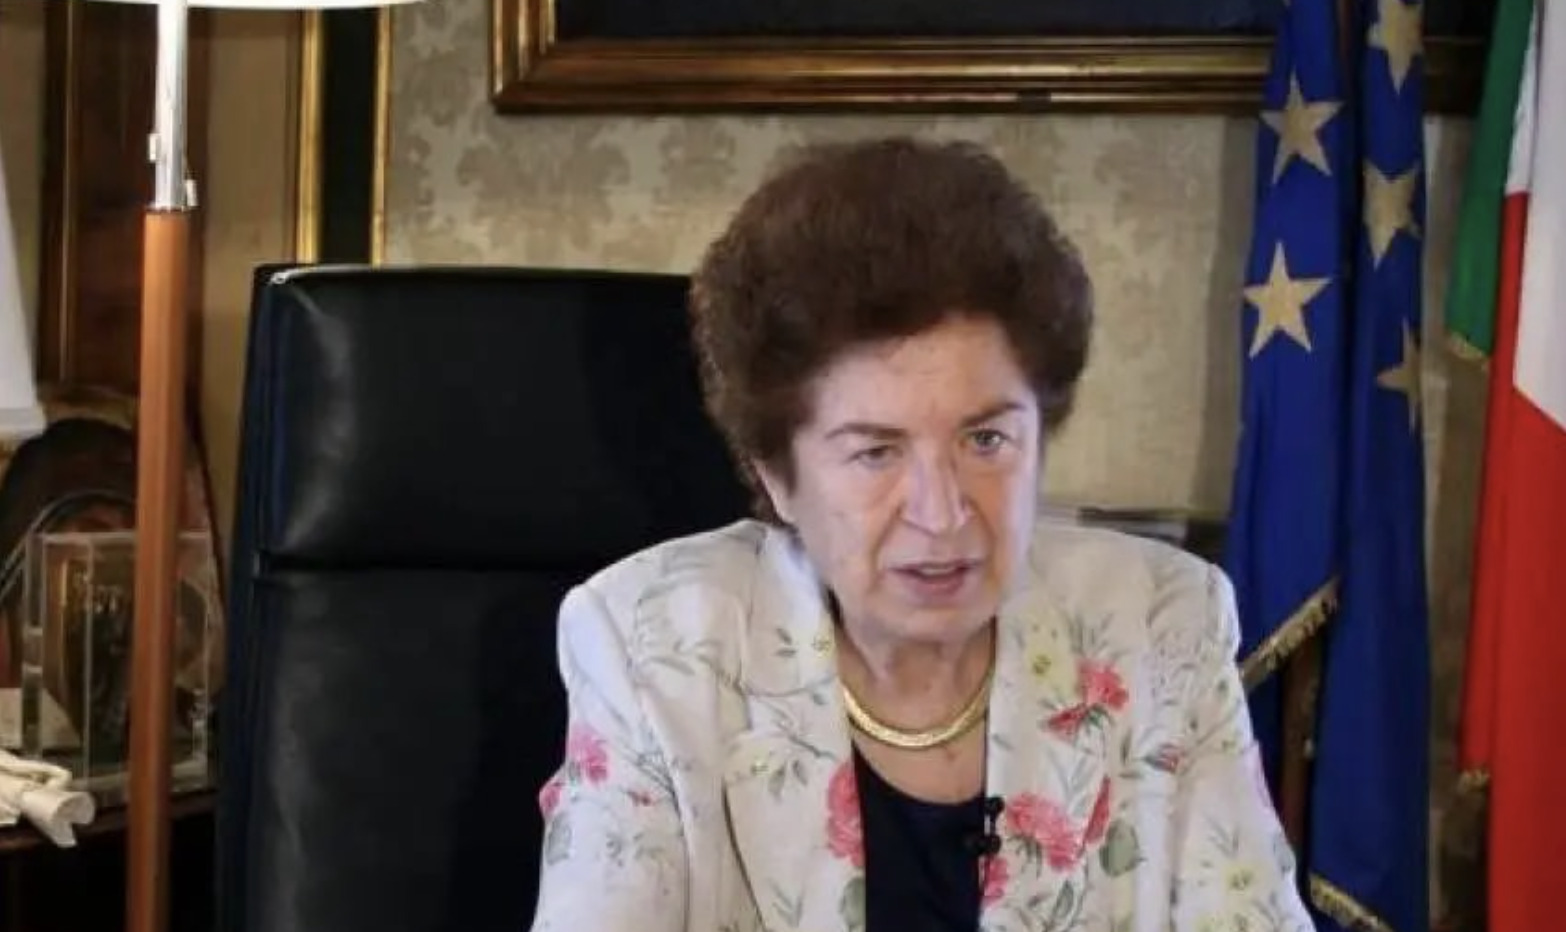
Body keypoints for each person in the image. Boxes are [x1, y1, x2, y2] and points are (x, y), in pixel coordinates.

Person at [529, 136, 1312, 932]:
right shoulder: (654, 648)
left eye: (986, 440)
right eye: (876, 452)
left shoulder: (1160, 625)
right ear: (777, 475)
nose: (942, 514)